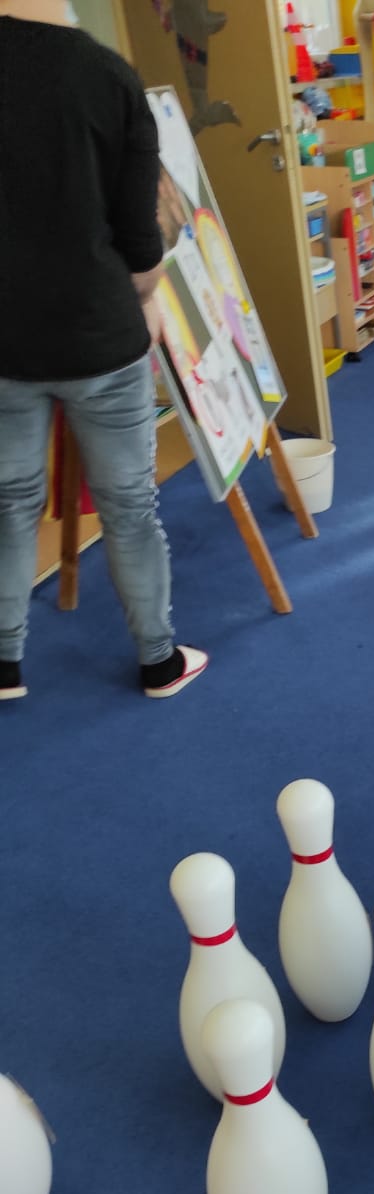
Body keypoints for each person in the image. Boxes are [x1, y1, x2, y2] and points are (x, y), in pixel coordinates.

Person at [0, 0, 207, 702]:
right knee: (128, 506)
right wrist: (147, 300)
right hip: (99, 336)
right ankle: (158, 661)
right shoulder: (106, 75)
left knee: (9, 504)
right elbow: (142, 247)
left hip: (5, 344)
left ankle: (4, 663)